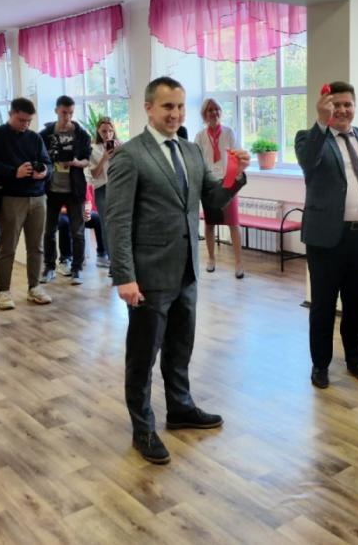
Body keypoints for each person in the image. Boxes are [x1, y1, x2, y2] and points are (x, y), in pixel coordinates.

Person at [106, 76, 249, 464]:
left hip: (187, 270)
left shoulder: (191, 150)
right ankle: (143, 428)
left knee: (180, 346)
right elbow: (117, 220)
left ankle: (181, 408)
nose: (175, 114)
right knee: (143, 356)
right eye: (168, 106)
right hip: (148, 276)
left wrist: (235, 174)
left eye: (181, 106)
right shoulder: (130, 156)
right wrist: (124, 276)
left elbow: (212, 200)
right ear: (149, 108)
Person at [296, 81, 358, 390]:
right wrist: (320, 122)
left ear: (354, 106)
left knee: (355, 304)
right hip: (325, 240)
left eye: (347, 104)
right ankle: (320, 365)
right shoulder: (310, 138)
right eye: (335, 105)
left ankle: (355, 359)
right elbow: (308, 161)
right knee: (323, 307)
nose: (342, 110)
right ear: (326, 107)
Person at [0, 97, 53, 310]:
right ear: (11, 113)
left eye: (29, 121)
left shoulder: (34, 137)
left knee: (36, 247)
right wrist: (14, 172)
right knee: (8, 247)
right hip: (10, 197)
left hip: (38, 197)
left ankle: (34, 287)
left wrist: (45, 171)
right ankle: (3, 291)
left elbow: (47, 162)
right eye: (21, 120)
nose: (25, 124)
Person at [39, 96, 92, 286]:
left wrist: (75, 162)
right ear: (56, 111)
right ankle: (49, 267)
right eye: (64, 112)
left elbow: (87, 160)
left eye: (71, 113)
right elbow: (39, 158)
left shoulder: (81, 134)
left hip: (74, 189)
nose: (67, 116)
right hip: (51, 189)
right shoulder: (45, 134)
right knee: (49, 231)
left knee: (77, 232)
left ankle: (76, 268)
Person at [194, 98, 244, 278]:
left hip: (228, 182)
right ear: (204, 114)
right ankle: (211, 259)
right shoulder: (200, 136)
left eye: (216, 109)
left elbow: (237, 156)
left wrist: (233, 178)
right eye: (210, 110)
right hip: (208, 185)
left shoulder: (229, 132)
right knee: (210, 223)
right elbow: (196, 160)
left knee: (233, 223)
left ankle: (238, 263)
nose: (214, 113)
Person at [87, 116, 120, 269]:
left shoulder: (120, 145)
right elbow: (94, 174)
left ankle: (121, 260)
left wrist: (119, 154)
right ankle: (112, 262)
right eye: (104, 131)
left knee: (120, 224)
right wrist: (105, 158)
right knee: (106, 225)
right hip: (102, 189)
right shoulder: (93, 149)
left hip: (119, 188)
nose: (107, 134)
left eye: (110, 131)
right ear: (98, 131)